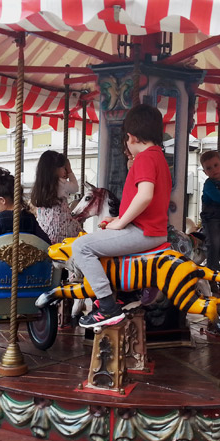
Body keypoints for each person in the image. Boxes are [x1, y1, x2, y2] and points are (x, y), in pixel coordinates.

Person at [72, 104, 172, 328]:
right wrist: (117, 221)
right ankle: (122, 295)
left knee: (81, 247)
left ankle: (107, 306)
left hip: (144, 232)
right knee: (102, 239)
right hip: (150, 230)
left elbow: (145, 196)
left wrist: (121, 222)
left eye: (127, 141)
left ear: (131, 137)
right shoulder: (160, 158)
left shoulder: (145, 158)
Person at [31, 150, 82, 244]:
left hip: (44, 231)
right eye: (63, 168)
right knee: (84, 237)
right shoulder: (61, 183)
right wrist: (70, 171)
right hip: (61, 230)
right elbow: (75, 188)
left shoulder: (39, 186)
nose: (65, 171)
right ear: (54, 169)